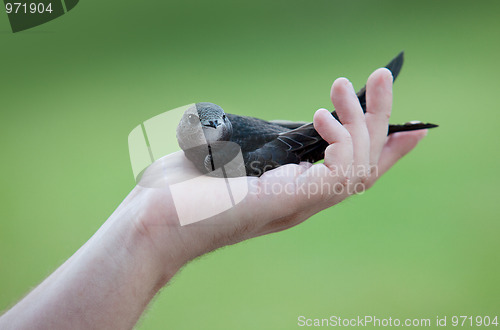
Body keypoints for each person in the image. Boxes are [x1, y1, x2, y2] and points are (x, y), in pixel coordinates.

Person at [0, 69, 428, 329]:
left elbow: (266, 136)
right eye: (204, 131)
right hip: (280, 140)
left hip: (281, 143)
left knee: (336, 129)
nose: (212, 135)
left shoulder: (224, 145)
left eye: (217, 127)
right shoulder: (206, 146)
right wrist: (152, 225)